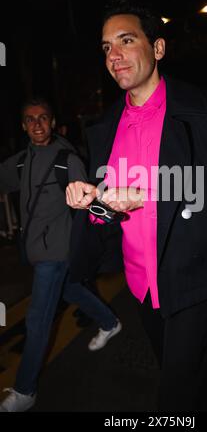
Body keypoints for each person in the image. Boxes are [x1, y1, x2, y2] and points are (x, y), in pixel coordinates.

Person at [66, 0, 207, 411]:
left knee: (175, 394)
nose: (114, 56)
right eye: (106, 47)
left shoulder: (206, 110)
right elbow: (111, 208)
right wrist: (91, 199)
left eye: (125, 40)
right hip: (140, 283)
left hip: (196, 278)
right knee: (180, 379)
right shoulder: (103, 129)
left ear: (157, 48)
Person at [0, 98, 121, 413]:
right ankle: (110, 321)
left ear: (53, 122)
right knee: (71, 289)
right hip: (37, 250)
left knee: (38, 318)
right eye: (30, 120)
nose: (37, 124)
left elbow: (86, 206)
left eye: (43, 118)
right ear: (23, 125)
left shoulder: (67, 160)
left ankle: (26, 391)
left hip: (58, 250)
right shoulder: (23, 161)